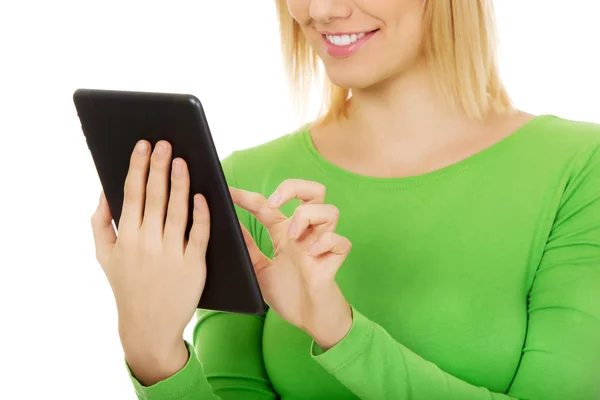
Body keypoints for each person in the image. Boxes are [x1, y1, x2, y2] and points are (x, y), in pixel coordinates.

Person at [90, 1, 600, 399]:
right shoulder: (250, 180)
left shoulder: (579, 168)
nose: (321, 9)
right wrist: (154, 354)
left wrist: (341, 332)